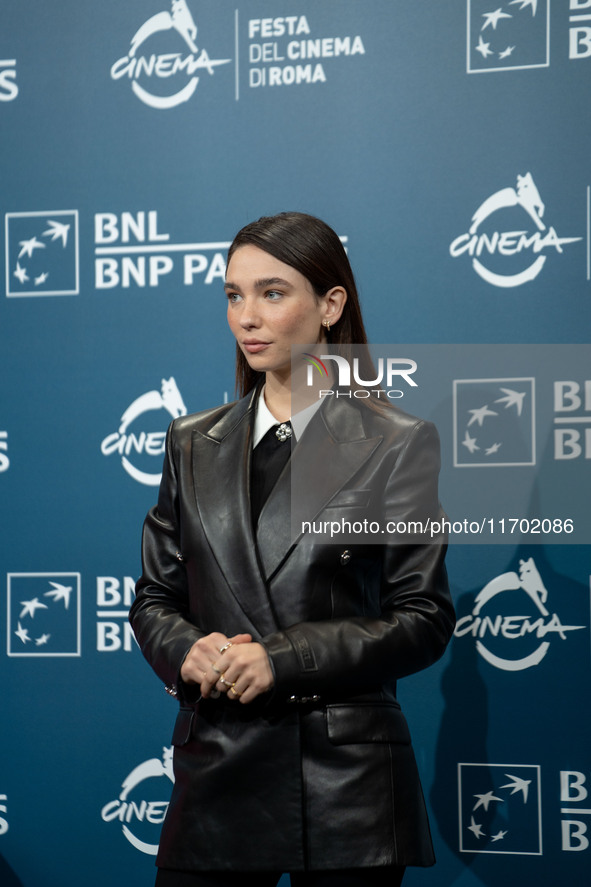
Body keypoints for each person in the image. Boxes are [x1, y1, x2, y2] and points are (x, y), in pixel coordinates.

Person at [129, 211, 455, 887]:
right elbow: (156, 596)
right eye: (232, 295)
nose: (247, 316)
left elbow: (422, 617)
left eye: (271, 293)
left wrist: (282, 657)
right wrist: (183, 648)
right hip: (217, 768)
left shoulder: (395, 441)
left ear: (329, 304)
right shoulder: (190, 441)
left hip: (342, 786)